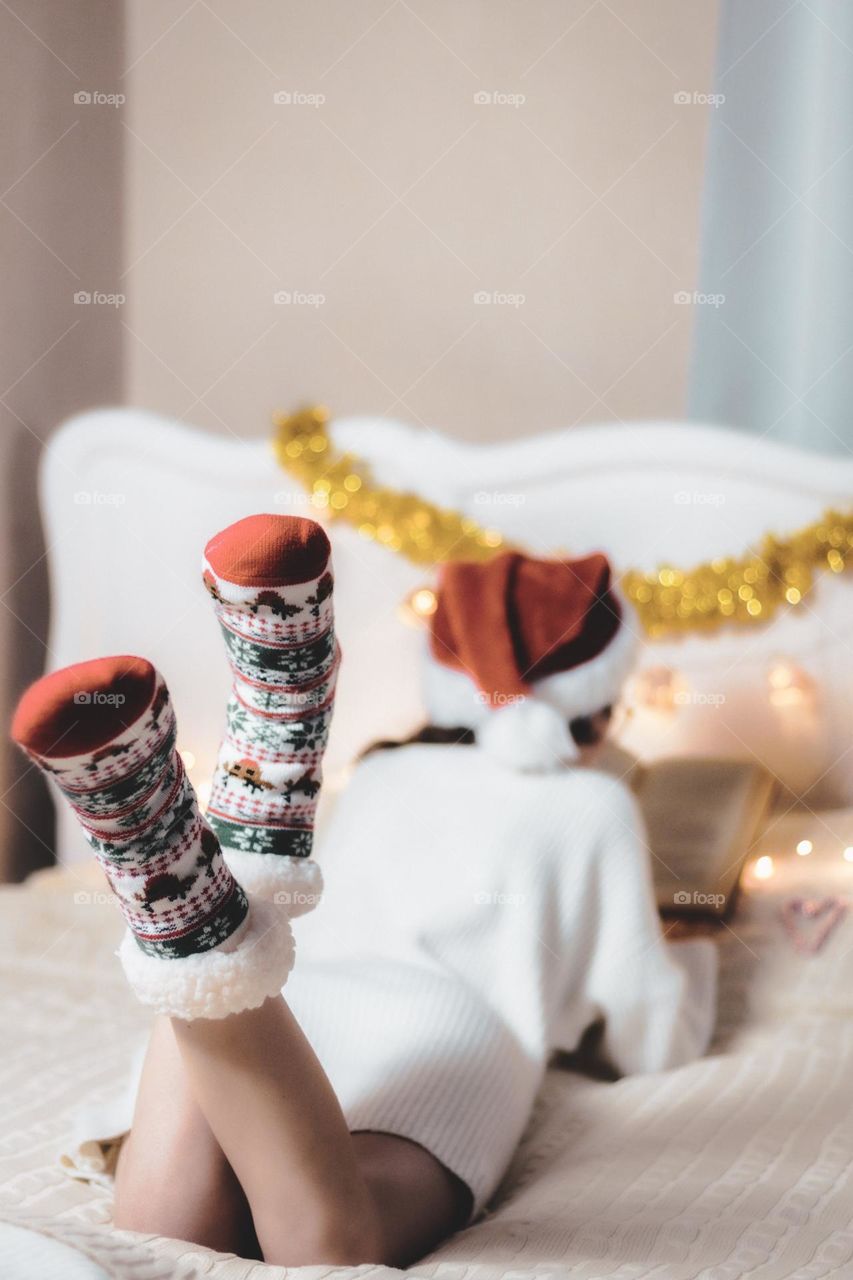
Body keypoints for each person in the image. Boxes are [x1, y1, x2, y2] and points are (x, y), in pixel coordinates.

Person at [10, 515, 716, 1267]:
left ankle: (222, 860)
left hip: (288, 991)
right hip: (447, 1021)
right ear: (596, 704)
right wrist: (701, 964)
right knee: (330, 1245)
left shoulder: (382, 774)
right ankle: (206, 876)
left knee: (163, 1242)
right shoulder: (597, 803)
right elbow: (646, 1034)